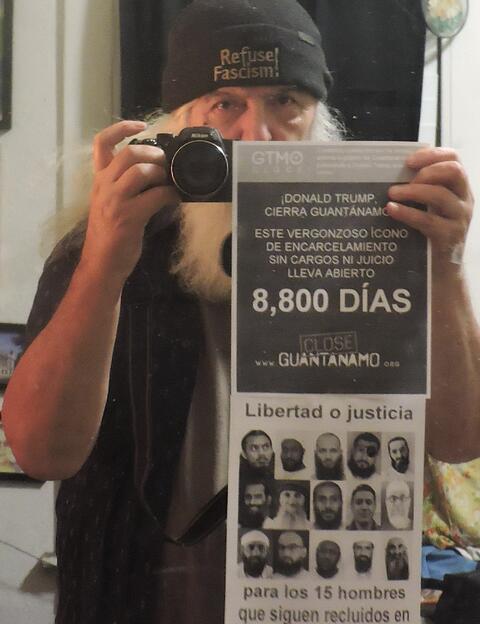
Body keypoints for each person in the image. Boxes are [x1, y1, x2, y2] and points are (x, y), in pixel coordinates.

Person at [2, 0, 480, 621]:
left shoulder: (376, 243)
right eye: (226, 103)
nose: (257, 135)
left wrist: (444, 267)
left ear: (318, 118)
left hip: (322, 596)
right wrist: (102, 264)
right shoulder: (108, 243)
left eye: (285, 101)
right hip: (138, 597)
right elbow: (40, 452)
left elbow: (460, 439)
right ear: (178, 124)